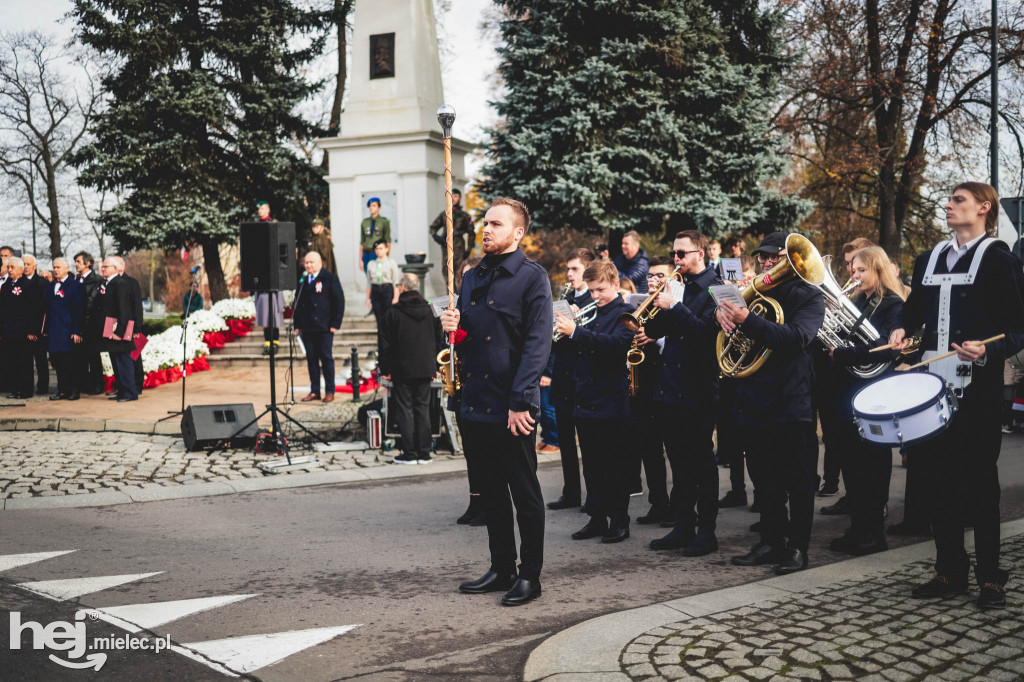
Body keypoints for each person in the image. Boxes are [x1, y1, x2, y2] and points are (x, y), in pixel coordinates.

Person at [889, 182, 1024, 609]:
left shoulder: (1001, 260)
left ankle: (990, 578)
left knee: (980, 486)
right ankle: (948, 570)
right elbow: (914, 315)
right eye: (948, 201)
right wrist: (902, 333)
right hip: (929, 387)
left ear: (984, 208)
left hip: (977, 389)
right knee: (935, 482)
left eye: (958, 200)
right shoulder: (927, 259)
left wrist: (990, 349)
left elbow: (1019, 327)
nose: (947, 206)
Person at [441, 197, 552, 607]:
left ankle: (529, 576)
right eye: (485, 223)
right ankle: (501, 566)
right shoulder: (472, 276)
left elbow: (537, 345)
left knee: (523, 493)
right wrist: (451, 328)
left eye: (496, 224)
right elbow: (468, 336)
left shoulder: (532, 278)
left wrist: (522, 402)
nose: (486, 229)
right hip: (475, 402)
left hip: (513, 406)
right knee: (489, 492)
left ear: (517, 232)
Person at [719, 231, 825, 575]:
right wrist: (722, 316)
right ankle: (771, 541)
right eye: (763, 256)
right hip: (754, 398)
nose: (767, 262)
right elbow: (724, 330)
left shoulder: (809, 296)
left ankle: (797, 548)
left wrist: (747, 320)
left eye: (775, 257)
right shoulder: (753, 294)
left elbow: (797, 338)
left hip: (791, 400)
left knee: (797, 480)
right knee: (764, 480)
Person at [644, 232, 724, 556]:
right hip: (669, 387)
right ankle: (682, 525)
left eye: (681, 253)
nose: (675, 259)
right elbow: (652, 331)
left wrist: (674, 306)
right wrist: (658, 304)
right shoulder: (678, 285)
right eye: (673, 254)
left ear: (700, 253)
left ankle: (707, 531)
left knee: (701, 461)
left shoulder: (716, 288)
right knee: (677, 461)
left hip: (699, 388)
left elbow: (707, 334)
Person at [826, 246, 905, 556]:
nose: (853, 275)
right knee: (851, 463)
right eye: (853, 270)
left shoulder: (893, 304)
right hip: (848, 390)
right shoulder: (857, 301)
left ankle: (873, 533)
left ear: (877, 271)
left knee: (871, 465)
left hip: (874, 393)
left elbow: (884, 347)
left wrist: (843, 353)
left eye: (860, 270)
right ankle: (858, 528)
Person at [554, 259, 635, 543]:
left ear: (615, 284)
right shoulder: (590, 312)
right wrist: (565, 329)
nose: (595, 296)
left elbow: (615, 346)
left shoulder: (625, 313)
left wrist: (576, 331)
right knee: (591, 465)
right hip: (584, 398)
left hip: (611, 400)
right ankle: (597, 518)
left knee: (614, 465)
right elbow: (570, 347)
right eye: (591, 290)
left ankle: (620, 521)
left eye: (600, 289)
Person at [547, 248, 595, 511]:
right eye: (568, 269)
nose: (569, 274)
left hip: (582, 378)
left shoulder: (593, 299)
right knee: (565, 440)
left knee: (586, 443)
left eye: (574, 269)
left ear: (587, 272)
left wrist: (577, 324)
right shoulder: (565, 296)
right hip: (563, 376)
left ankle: (592, 497)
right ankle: (571, 492)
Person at [378, 273, 443, 464]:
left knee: (405, 409)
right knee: (422, 409)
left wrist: (385, 368)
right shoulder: (431, 310)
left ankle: (410, 453)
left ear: (403, 288)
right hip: (425, 368)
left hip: (402, 369)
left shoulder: (392, 312)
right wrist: (437, 365)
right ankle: (424, 453)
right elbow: (439, 340)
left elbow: (385, 344)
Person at [627, 256, 672, 525]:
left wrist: (657, 337)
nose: (653, 281)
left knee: (674, 450)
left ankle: (679, 506)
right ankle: (658, 502)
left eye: (659, 276)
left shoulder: (676, 307)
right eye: (650, 276)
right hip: (645, 383)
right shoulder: (646, 305)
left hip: (669, 383)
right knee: (649, 446)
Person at [294, 251, 345, 403]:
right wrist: (297, 325)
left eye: (311, 262)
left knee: (326, 359)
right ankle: (315, 390)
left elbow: (339, 301)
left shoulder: (329, 278)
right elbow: (297, 303)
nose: (308, 265)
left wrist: (335, 323)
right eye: (306, 262)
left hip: (324, 327)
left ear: (319, 263)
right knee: (311, 360)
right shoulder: (303, 280)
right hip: (307, 327)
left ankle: (330, 391)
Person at [0, 257, 42, 399]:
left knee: (24, 361)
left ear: (20, 269)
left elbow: (34, 309)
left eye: (12, 267)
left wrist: (32, 330)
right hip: (9, 331)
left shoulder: (29, 285)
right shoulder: (6, 286)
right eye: (8, 267)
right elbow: (2, 310)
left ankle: (25, 390)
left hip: (24, 332)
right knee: (12, 362)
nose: (9, 270)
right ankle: (15, 388)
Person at [98, 257, 138, 402]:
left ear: (115, 268)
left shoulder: (120, 284)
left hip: (118, 329)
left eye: (106, 267)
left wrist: (119, 332)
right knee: (115, 361)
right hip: (111, 326)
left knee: (123, 361)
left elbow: (124, 310)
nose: (103, 269)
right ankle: (121, 390)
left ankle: (130, 392)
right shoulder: (109, 284)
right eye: (103, 267)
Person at [45, 258, 85, 400]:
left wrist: (77, 330)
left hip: (68, 331)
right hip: (54, 331)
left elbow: (80, 310)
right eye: (54, 267)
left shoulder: (75, 286)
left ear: (67, 268)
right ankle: (62, 390)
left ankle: (74, 390)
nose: (56, 270)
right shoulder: (50, 286)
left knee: (71, 363)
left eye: (59, 267)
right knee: (58, 363)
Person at [253, 202, 285, 355]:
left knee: (274, 313)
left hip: (273, 272)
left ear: (268, 209)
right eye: (259, 209)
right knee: (264, 312)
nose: (260, 211)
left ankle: (275, 342)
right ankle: (267, 342)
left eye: (263, 208)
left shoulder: (274, 224)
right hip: (261, 271)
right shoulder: (255, 227)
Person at [73, 251, 105, 394]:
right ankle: (83, 384)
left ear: (88, 263)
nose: (76, 264)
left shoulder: (97, 280)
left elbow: (94, 304)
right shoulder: (76, 280)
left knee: (94, 357)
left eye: (79, 262)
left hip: (92, 325)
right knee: (81, 358)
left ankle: (97, 385)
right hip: (80, 324)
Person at [430, 187, 476, 285]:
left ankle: (460, 297)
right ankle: (449, 297)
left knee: (460, 272)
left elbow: (471, 233)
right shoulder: (444, 214)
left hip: (459, 246)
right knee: (447, 272)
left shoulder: (464, 216)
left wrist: (469, 249)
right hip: (446, 247)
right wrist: (437, 238)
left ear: (460, 198)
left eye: (456, 196)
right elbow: (433, 228)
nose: (453, 198)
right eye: (451, 196)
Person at [116, 258, 145, 395]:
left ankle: (137, 385)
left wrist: (137, 328)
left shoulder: (131, 282)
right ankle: (121, 386)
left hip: (131, 325)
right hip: (117, 325)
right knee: (119, 357)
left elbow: (137, 307)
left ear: (121, 266)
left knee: (134, 357)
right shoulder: (112, 283)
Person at [22, 254, 49, 395]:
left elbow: (42, 308)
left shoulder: (42, 283)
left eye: (28, 264)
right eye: (24, 264)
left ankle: (43, 386)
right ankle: (27, 387)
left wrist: (36, 330)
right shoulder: (19, 282)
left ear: (35, 266)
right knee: (26, 361)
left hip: (39, 329)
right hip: (24, 329)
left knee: (41, 360)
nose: (25, 267)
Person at [364, 239, 401, 327]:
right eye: (377, 249)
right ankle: (381, 340)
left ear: (386, 249)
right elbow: (369, 283)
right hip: (376, 290)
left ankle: (387, 340)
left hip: (387, 289)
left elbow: (395, 281)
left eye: (381, 248)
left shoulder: (391, 263)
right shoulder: (371, 264)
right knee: (379, 317)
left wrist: (396, 297)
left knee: (387, 317)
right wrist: (368, 298)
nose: (379, 251)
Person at [359, 197, 391, 272]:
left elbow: (388, 241)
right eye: (370, 206)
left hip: (377, 253)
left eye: (374, 205)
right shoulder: (365, 222)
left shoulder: (384, 221)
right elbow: (362, 242)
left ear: (379, 207)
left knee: (378, 275)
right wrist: (360, 260)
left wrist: (386, 257)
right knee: (368, 275)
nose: (371, 208)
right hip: (366, 254)